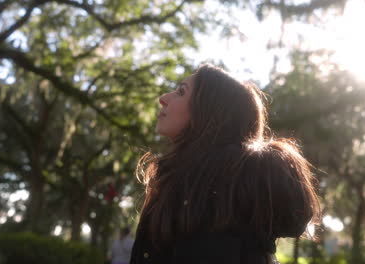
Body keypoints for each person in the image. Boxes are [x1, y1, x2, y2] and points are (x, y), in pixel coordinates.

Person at [130, 64, 321, 264]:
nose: (163, 98)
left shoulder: (211, 187)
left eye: (181, 92)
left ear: (209, 110)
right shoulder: (194, 179)